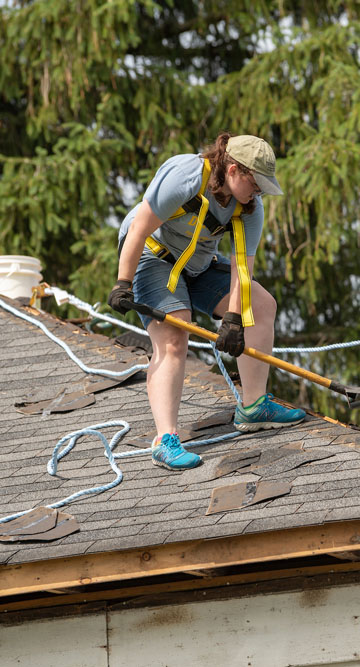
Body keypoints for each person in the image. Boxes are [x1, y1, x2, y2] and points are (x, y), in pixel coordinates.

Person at [108, 133, 305, 471]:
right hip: (153, 256)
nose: (258, 193)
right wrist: (123, 282)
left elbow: (243, 269)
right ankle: (165, 440)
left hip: (198, 264)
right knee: (173, 336)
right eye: (256, 184)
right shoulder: (185, 177)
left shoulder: (249, 209)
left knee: (260, 305)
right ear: (233, 171)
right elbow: (140, 228)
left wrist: (232, 319)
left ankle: (254, 407)